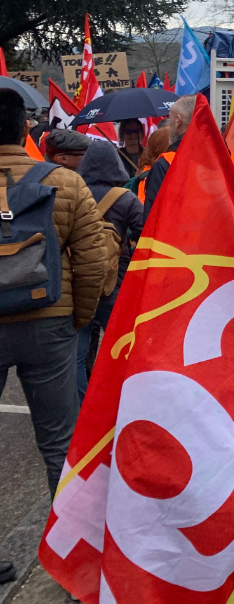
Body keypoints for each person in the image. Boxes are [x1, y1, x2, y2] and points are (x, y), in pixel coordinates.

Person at [0, 89, 110, 505]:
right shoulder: (64, 181)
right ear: (25, 128)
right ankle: (71, 551)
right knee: (59, 442)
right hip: (50, 321)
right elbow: (93, 260)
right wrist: (77, 318)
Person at [73, 140, 144, 400]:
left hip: (78, 282)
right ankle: (118, 405)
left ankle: (81, 407)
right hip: (116, 282)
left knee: (76, 355)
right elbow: (145, 235)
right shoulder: (126, 199)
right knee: (122, 349)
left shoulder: (74, 193)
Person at [143, 93, 196, 218]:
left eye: (170, 120)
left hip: (181, 236)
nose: (169, 126)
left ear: (178, 121)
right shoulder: (230, 158)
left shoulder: (166, 164)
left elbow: (153, 218)